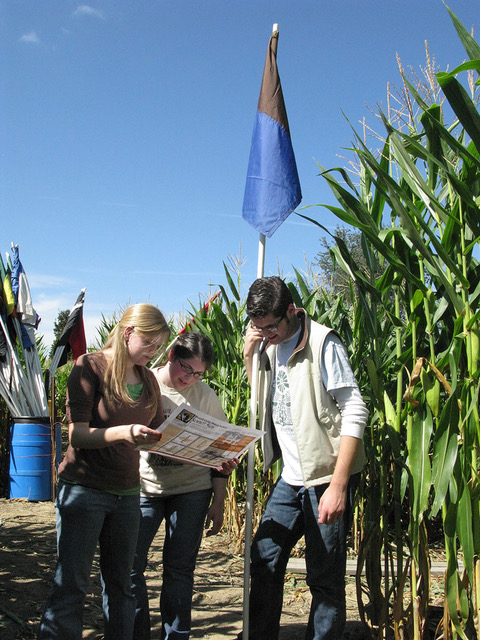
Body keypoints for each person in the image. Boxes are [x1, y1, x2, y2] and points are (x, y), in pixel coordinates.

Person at [240, 276, 368, 640]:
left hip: (326, 474)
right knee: (264, 556)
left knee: (324, 576)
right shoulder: (266, 344)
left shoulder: (323, 344)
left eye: (270, 327)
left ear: (291, 312)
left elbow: (355, 409)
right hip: (291, 475)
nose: (265, 334)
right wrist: (251, 355)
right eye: (257, 327)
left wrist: (339, 485)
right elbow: (266, 398)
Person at [37, 303, 169, 640]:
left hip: (126, 495)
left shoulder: (148, 379)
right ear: (128, 334)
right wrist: (125, 432)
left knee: (122, 586)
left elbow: (156, 435)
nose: (154, 352)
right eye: (150, 343)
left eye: (158, 346)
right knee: (72, 585)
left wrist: (208, 454)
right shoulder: (89, 367)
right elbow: (77, 434)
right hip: (84, 490)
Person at [131, 332, 238, 640]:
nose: (191, 378)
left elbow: (221, 455)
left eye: (199, 374)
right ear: (171, 357)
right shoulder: (145, 384)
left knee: (179, 571)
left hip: (192, 490)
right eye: (186, 369)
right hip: (145, 489)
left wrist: (218, 501)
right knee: (130, 567)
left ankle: (176, 635)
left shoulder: (205, 396)